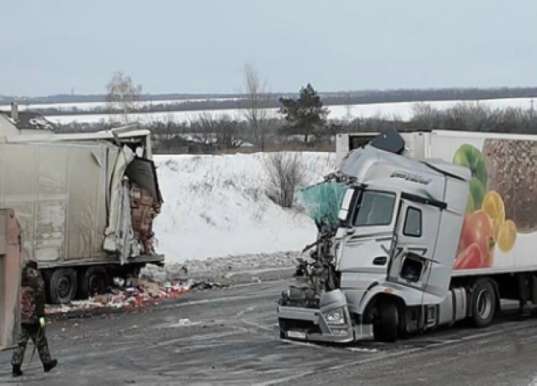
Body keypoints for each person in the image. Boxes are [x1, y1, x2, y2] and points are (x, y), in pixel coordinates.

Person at [11, 259, 58, 377]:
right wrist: (41, 316)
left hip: (24, 316)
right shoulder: (37, 278)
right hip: (35, 317)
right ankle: (47, 363)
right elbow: (40, 299)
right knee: (41, 339)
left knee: (21, 342)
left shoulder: (23, 277)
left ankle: (15, 367)